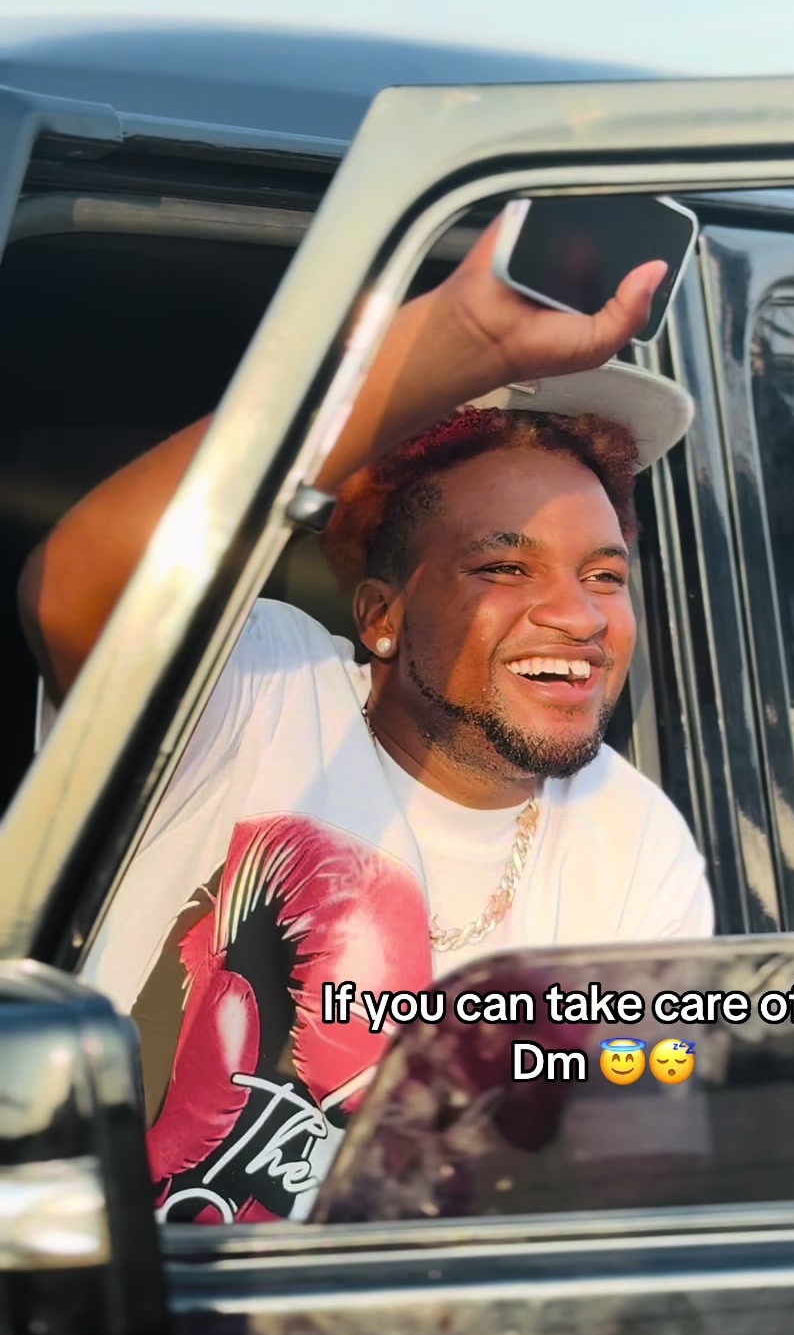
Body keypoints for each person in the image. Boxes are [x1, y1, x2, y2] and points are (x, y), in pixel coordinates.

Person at [18, 215, 714, 1224]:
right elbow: (77, 590)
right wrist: (457, 346)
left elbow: (630, 1182)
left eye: (604, 575)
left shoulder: (633, 836)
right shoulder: (264, 690)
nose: (579, 615)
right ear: (381, 618)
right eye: (504, 566)